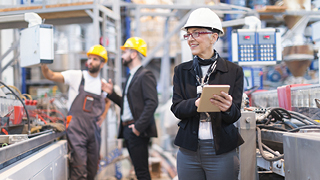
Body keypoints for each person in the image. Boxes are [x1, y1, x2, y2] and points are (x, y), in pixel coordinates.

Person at [171, 8, 244, 180]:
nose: (191, 39)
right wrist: (197, 103)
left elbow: (234, 115)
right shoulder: (182, 71)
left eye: (196, 33)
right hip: (189, 150)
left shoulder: (233, 71)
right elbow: (177, 108)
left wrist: (227, 108)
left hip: (221, 152)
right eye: (188, 35)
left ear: (214, 37)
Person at [41, 44, 110, 180]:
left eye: (95, 59)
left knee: (92, 170)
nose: (90, 61)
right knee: (79, 169)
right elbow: (51, 75)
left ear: (102, 64)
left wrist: (103, 116)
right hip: (76, 131)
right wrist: (44, 64)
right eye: (90, 58)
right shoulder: (77, 76)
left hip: (94, 133)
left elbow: (108, 101)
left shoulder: (102, 84)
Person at [101, 37, 158, 180]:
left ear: (134, 54)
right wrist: (111, 94)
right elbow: (127, 104)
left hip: (136, 130)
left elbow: (152, 102)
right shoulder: (132, 76)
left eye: (125, 52)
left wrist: (138, 127)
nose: (122, 55)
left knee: (142, 171)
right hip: (129, 129)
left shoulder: (145, 75)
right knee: (139, 170)